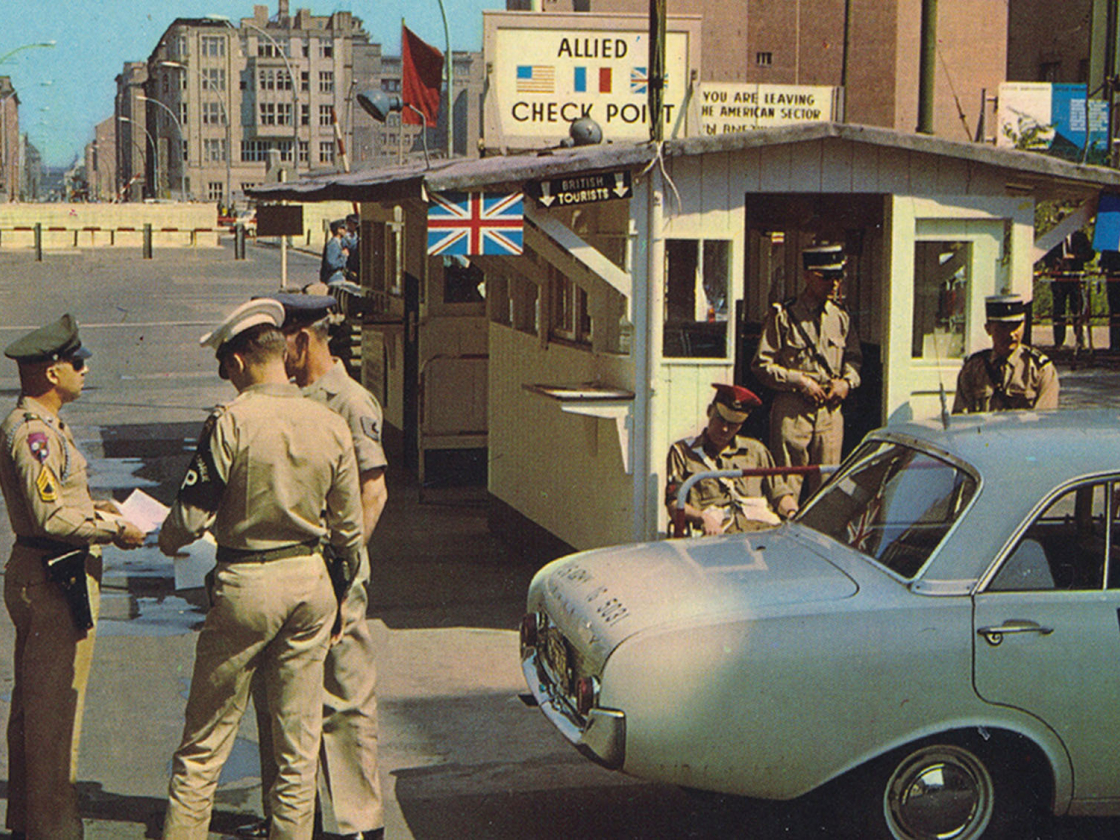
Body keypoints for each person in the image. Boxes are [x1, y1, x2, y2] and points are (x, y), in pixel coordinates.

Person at [157, 299, 366, 840]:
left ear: (238, 362)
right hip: (311, 584)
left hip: (246, 584)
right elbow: (349, 532)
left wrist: (164, 538)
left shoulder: (231, 422)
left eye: (226, 370)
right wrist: (339, 595)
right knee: (298, 748)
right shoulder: (330, 422)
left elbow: (190, 516)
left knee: (204, 746)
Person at [236, 293, 388, 840]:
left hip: (335, 573)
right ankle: (293, 819)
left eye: (285, 343)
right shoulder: (291, 396)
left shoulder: (349, 401)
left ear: (302, 339)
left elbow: (373, 494)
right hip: (294, 572)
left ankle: (358, 824)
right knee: (283, 698)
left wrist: (342, 572)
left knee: (344, 700)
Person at [0, 314, 146, 840]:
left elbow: (59, 501)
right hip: (53, 577)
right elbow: (49, 518)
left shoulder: (45, 424)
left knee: (37, 709)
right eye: (75, 363)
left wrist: (96, 507)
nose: (84, 370)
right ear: (50, 372)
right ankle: (53, 829)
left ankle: (31, 822)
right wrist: (113, 529)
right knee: (54, 715)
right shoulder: (36, 434)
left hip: (47, 572)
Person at [751, 243, 862, 498]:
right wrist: (800, 381)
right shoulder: (784, 315)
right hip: (793, 410)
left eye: (838, 277)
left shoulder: (840, 317)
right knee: (786, 484)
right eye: (826, 277)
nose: (834, 284)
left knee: (827, 485)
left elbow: (854, 359)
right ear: (807, 276)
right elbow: (762, 364)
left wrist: (846, 383)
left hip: (830, 413)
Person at [666, 383, 798, 535]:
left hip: (759, 532)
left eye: (733, 424)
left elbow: (779, 494)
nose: (725, 429)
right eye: (720, 419)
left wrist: (792, 513)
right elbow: (674, 504)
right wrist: (703, 518)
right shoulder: (683, 452)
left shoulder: (756, 451)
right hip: (715, 535)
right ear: (709, 411)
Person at [953, 293, 1059, 413]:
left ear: (1024, 325)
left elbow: (1044, 418)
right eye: (1003, 327)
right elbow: (960, 416)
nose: (1011, 334)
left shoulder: (1039, 369)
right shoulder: (973, 369)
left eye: (1016, 326)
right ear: (988, 329)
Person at [320, 219, 350, 287]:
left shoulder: (339, 242)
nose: (346, 230)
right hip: (334, 278)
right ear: (338, 230)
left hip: (338, 277)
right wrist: (343, 256)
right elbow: (332, 264)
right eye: (343, 228)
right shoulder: (333, 244)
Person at [343, 213, 361, 281]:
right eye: (354, 224)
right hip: (350, 266)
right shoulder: (345, 237)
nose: (355, 226)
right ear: (348, 223)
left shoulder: (357, 235)